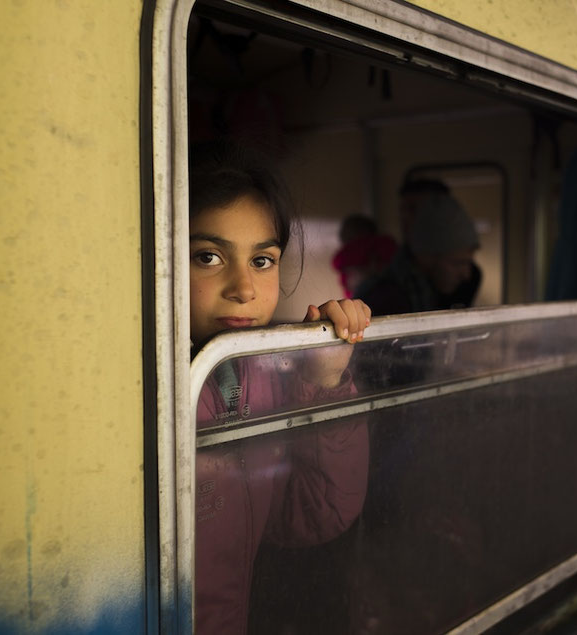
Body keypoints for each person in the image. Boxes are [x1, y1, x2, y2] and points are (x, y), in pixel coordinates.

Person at [189, 140, 370, 634]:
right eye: (208, 256)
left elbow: (312, 512)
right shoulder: (133, 386)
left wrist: (323, 380)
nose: (243, 288)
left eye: (262, 260)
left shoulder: (260, 374)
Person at [356, 189, 480, 315]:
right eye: (458, 263)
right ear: (426, 257)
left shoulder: (425, 289)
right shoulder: (389, 299)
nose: (466, 275)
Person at [331, 214, 397, 297]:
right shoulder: (383, 243)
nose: (343, 235)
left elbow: (337, 261)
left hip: (375, 293)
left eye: (348, 231)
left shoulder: (375, 244)